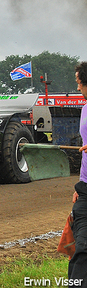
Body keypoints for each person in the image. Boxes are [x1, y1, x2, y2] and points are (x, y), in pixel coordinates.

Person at [70, 62, 87, 283]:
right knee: (81, 247)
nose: (78, 88)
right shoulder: (85, 108)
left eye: (79, 82)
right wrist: (79, 186)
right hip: (86, 191)